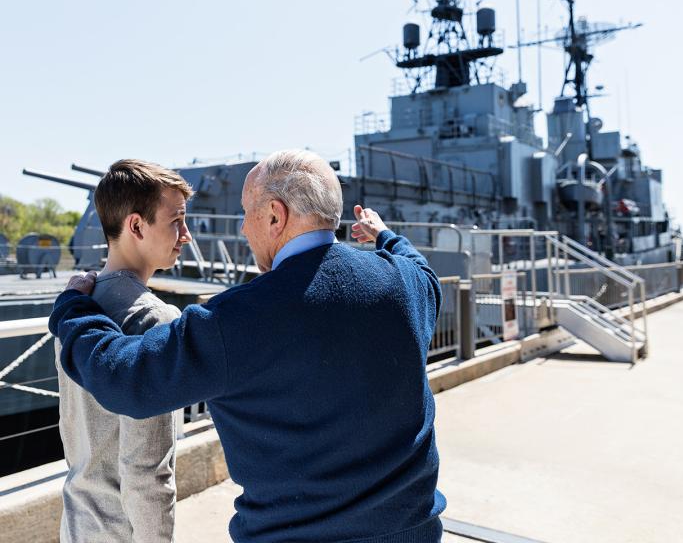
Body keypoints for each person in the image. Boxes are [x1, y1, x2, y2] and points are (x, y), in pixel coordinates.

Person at [51, 149, 447, 543]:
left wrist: (73, 310)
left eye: (247, 213)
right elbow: (422, 269)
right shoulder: (407, 284)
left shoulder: (240, 319)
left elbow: (127, 380)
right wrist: (386, 237)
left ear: (275, 216)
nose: (242, 228)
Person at [55, 159, 193, 542]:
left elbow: (70, 429)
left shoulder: (72, 306)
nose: (187, 235)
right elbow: (148, 470)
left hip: (76, 525)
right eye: (176, 221)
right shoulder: (155, 320)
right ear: (136, 225)